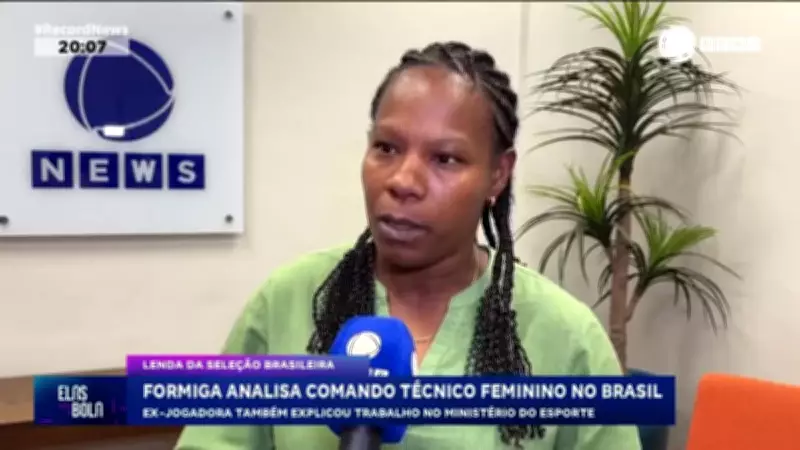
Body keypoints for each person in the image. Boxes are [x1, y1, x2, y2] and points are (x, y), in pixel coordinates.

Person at [175, 41, 642, 450]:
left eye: (445, 158)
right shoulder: (287, 302)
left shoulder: (567, 338)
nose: (402, 181)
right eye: (386, 148)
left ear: (498, 175)